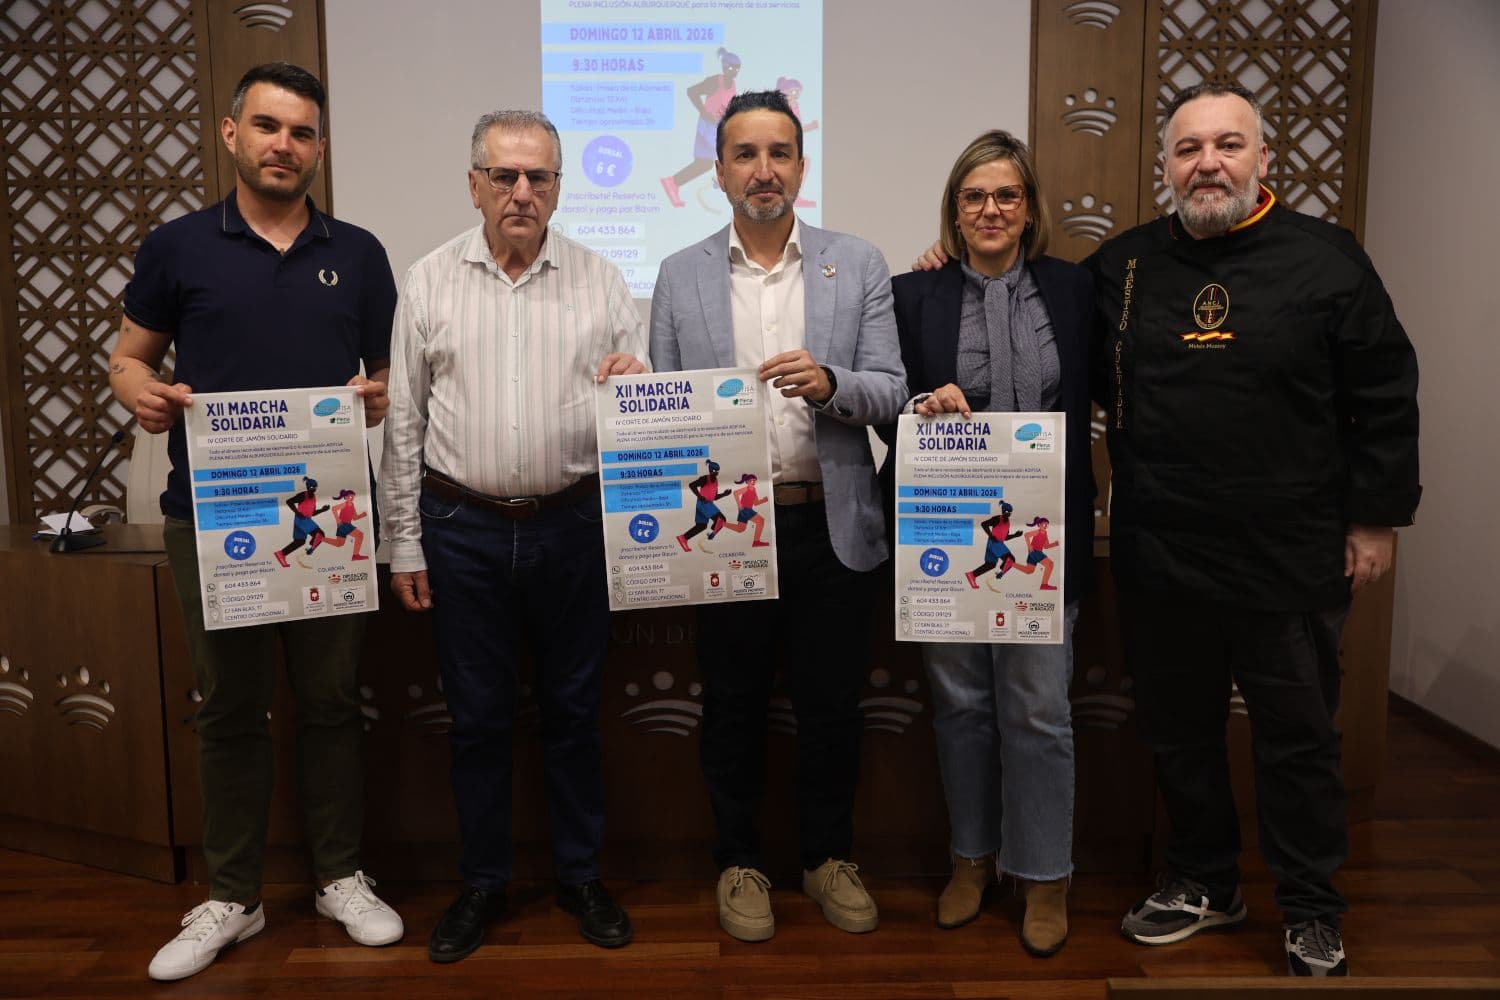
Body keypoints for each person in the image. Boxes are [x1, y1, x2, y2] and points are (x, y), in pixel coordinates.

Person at [1085, 82, 1420, 977]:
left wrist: (1375, 520)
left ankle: (1311, 905)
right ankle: (1203, 881)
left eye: (1228, 145)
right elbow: (1055, 359)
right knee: (1180, 732)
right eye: (1190, 149)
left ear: (1263, 158)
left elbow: (1382, 397)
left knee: (1298, 737)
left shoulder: (1328, 260)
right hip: (1162, 551)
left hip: (1290, 551)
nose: (1209, 164)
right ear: (1165, 166)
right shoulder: (1119, 268)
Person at [107, 61, 403, 982]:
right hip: (216, 519)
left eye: (303, 132)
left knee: (329, 705)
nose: (286, 145)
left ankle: (340, 878)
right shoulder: (178, 246)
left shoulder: (357, 252)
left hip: (329, 521)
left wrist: (383, 394)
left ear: (320, 146)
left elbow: (394, 378)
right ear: (231, 133)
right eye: (269, 127)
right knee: (229, 708)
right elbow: (126, 358)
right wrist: (145, 396)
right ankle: (232, 897)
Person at [378, 109, 647, 963]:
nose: (523, 192)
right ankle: (483, 883)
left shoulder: (604, 281)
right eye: (506, 177)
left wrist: (634, 386)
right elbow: (406, 427)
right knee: (479, 720)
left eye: (540, 178)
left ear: (561, 188)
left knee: (574, 714)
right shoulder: (426, 282)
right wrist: (404, 543)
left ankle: (580, 876)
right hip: (461, 531)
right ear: (475, 185)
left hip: (575, 523)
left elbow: (637, 415)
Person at [650, 89, 907, 943]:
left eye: (780, 153)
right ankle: (739, 862)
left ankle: (829, 857)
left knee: (833, 707)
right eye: (746, 154)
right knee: (731, 704)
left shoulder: (857, 262)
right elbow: (665, 411)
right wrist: (633, 390)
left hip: (831, 527)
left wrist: (832, 384)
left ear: (802, 163)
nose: (764, 170)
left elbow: (892, 391)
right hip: (731, 530)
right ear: (718, 170)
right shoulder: (680, 273)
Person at [883, 129, 1096, 957]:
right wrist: (917, 408)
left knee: (1039, 711)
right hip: (945, 538)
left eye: (1007, 195)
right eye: (974, 197)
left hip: (1045, 539)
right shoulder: (913, 295)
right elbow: (881, 393)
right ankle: (972, 861)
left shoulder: (1075, 291)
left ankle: (1045, 875)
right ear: (954, 209)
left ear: (1030, 207)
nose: (991, 209)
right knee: (963, 709)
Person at [661, 47, 741, 207]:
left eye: (737, 69)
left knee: (704, 164)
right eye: (731, 67)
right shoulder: (714, 81)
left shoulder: (732, 85)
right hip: (707, 128)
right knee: (713, 160)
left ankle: (673, 182)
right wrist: (703, 111)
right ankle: (674, 182)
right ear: (724, 67)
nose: (733, 71)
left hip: (718, 128)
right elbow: (692, 91)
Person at [324, 488, 370, 560]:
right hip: (344, 525)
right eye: (350, 496)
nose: (351, 498)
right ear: (345, 497)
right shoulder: (344, 504)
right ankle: (355, 555)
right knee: (360, 535)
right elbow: (334, 508)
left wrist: (363, 514)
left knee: (339, 543)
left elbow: (355, 517)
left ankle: (320, 538)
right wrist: (338, 520)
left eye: (353, 496)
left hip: (344, 525)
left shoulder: (352, 504)